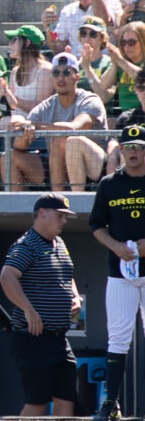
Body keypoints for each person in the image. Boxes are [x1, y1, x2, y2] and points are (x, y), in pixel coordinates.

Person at [0, 193, 80, 417]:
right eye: (60, 215)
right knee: (37, 402)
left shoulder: (60, 243)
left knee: (66, 399)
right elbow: (7, 277)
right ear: (41, 214)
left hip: (59, 339)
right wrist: (28, 309)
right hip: (32, 339)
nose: (64, 221)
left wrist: (75, 297)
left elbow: (67, 275)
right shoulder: (27, 245)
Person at [88, 124, 145, 421]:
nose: (133, 151)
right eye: (128, 147)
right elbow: (96, 225)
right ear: (121, 150)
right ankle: (111, 403)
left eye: (138, 146)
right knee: (118, 338)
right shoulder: (109, 184)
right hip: (120, 271)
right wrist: (114, 245)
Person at [5, 53, 107, 192]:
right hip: (58, 165)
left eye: (66, 72)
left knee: (61, 140)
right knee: (9, 157)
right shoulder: (47, 105)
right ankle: (17, 210)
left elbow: (73, 128)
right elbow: (18, 145)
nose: (60, 77)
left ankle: (59, 199)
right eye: (56, 73)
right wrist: (23, 126)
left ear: (77, 77)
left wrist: (35, 125)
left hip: (95, 167)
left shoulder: (90, 100)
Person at [42, 0, 122, 58]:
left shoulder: (112, 2)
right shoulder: (67, 11)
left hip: (105, 62)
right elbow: (58, 49)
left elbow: (103, 20)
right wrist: (48, 28)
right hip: (77, 65)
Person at [5, 25, 53, 121]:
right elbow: (12, 107)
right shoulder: (14, 71)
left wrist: (13, 99)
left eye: (14, 40)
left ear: (27, 42)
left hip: (37, 128)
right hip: (14, 126)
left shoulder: (45, 70)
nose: (10, 44)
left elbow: (41, 110)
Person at [105, 69, 145, 174]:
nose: (144, 93)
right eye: (141, 88)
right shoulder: (126, 118)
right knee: (126, 151)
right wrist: (112, 155)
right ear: (135, 90)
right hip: (131, 163)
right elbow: (114, 141)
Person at [101, 22, 145, 115]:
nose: (126, 47)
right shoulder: (121, 61)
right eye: (123, 43)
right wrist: (114, 63)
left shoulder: (122, 61)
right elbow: (103, 86)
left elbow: (142, 78)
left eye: (131, 42)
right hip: (127, 115)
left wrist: (120, 61)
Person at [75, 16, 116, 113]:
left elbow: (104, 97)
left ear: (102, 38)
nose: (87, 38)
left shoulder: (110, 63)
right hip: (77, 113)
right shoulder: (75, 64)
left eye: (92, 34)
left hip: (101, 115)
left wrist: (87, 68)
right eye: (83, 34)